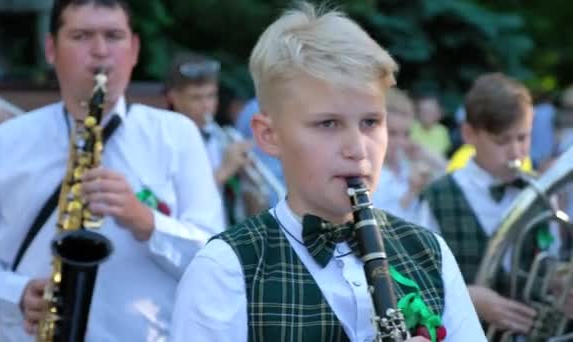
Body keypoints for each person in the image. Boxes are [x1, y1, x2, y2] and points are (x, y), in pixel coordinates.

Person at [170, 2, 484, 341]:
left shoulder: (429, 253)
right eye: (328, 123)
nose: (358, 148)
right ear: (269, 135)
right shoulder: (225, 269)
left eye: (371, 122)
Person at [0, 0, 224, 341]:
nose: (100, 52)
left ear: (133, 50)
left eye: (114, 36)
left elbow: (215, 256)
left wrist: (148, 222)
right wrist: (14, 293)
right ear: (51, 49)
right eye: (81, 36)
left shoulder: (177, 135)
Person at [418, 72, 572, 336]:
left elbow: (550, 259)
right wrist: (468, 298)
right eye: (502, 141)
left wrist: (560, 281)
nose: (515, 152)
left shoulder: (540, 193)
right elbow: (418, 282)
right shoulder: (438, 196)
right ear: (469, 134)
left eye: (523, 138)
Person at [165, 52, 254, 224]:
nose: (207, 105)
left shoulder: (222, 137)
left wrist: (249, 182)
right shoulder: (164, 140)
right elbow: (173, 203)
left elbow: (253, 209)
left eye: (211, 95)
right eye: (196, 97)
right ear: (173, 97)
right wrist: (225, 170)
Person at [374, 88, 446, 222]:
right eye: (393, 133)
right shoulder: (369, 174)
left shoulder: (406, 164)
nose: (401, 142)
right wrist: (412, 191)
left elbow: (453, 178)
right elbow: (382, 226)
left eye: (406, 134)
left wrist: (424, 154)